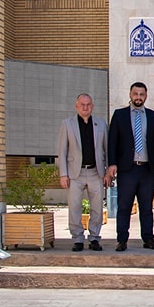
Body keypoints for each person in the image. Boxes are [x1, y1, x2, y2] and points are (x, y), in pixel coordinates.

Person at [106, 82, 154, 251]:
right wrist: (112, 163)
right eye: (135, 94)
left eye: (141, 94)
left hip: (147, 169)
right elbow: (112, 141)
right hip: (127, 169)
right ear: (130, 95)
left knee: (146, 207)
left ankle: (148, 239)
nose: (138, 97)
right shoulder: (120, 115)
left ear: (146, 96)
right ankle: (122, 240)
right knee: (124, 206)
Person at [57, 93, 108, 252]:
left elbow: (107, 149)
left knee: (97, 208)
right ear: (76, 106)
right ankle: (78, 238)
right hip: (75, 173)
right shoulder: (67, 124)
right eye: (82, 104)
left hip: (96, 172)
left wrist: (107, 172)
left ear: (92, 106)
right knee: (74, 207)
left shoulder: (101, 124)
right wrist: (63, 174)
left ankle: (94, 238)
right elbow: (62, 151)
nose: (85, 107)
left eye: (88, 104)